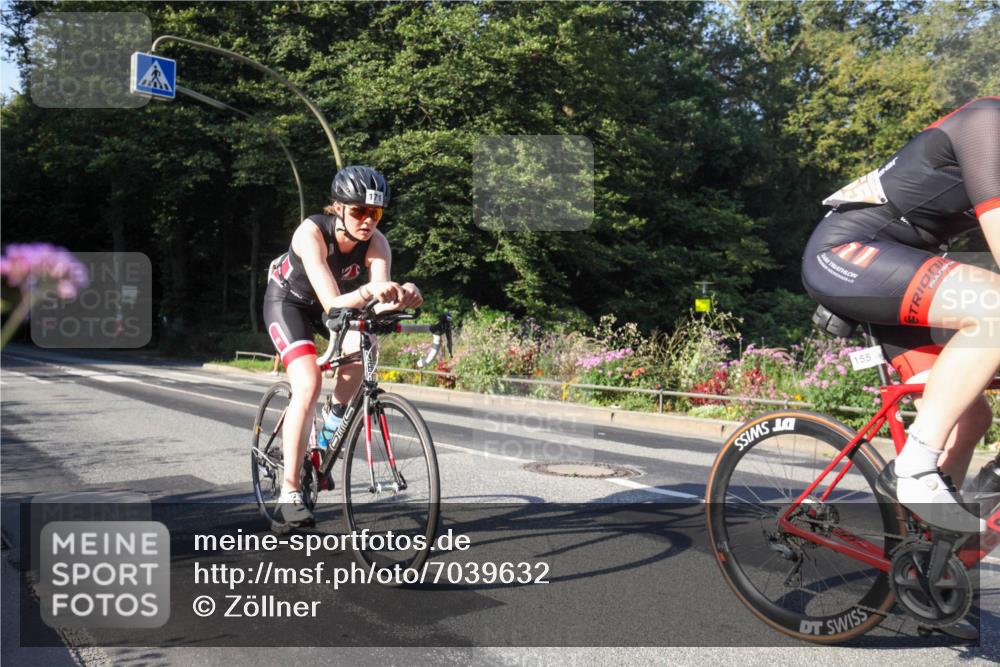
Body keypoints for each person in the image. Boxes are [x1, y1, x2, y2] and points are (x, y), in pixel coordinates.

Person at [802, 97, 1000, 535]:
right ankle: (913, 467)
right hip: (848, 252)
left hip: (902, 269)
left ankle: (931, 551)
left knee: (970, 416)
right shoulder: (989, 124)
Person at [263, 165, 422, 530]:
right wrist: (368, 292)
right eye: (359, 212)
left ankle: (324, 436)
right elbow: (333, 301)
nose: (368, 221)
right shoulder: (311, 233)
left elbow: (377, 303)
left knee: (364, 344)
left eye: (375, 213)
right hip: (290, 302)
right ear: (337, 207)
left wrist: (405, 295)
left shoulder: (377, 243)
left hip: (335, 306)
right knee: (308, 384)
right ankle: (289, 491)